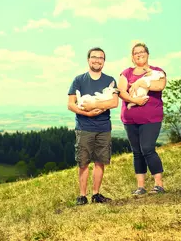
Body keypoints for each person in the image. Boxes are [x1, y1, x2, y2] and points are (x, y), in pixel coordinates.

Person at [67, 47, 119, 205]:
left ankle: (96, 194)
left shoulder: (110, 80)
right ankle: (82, 196)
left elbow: (114, 102)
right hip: (84, 127)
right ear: (88, 59)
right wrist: (87, 113)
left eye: (101, 58)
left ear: (104, 61)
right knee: (83, 162)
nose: (97, 60)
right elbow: (71, 104)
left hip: (104, 127)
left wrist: (96, 103)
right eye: (94, 57)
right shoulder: (79, 80)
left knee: (100, 161)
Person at [118, 42, 166, 195]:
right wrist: (135, 101)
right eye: (136, 52)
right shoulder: (126, 73)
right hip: (130, 119)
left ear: (147, 54)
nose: (139, 54)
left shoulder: (157, 71)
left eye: (142, 51)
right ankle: (141, 187)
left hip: (151, 118)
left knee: (147, 149)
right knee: (137, 151)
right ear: (132, 57)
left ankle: (159, 185)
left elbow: (159, 86)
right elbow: (121, 92)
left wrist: (140, 82)